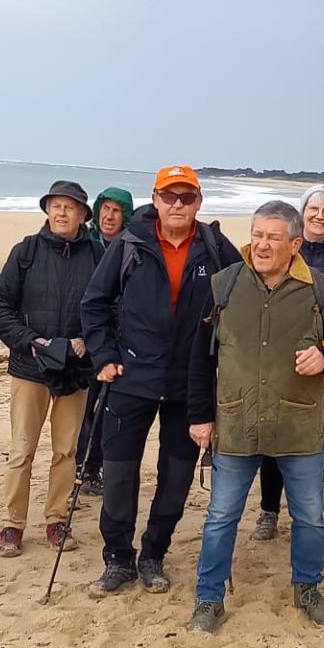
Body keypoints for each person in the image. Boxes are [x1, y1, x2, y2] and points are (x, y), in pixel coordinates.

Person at [184, 201, 324, 633]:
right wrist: (200, 416)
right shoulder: (224, 286)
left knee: (310, 517)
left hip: (297, 425)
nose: (261, 245)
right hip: (237, 421)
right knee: (221, 516)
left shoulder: (318, 289)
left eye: (272, 238)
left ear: (295, 244)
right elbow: (198, 359)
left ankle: (307, 589)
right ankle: (208, 600)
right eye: (257, 234)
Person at [81, 165, 241, 595]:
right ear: (154, 199)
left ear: (198, 203)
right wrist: (104, 356)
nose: (177, 204)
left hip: (189, 383)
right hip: (131, 377)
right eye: (169, 196)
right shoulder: (131, 243)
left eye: (186, 197)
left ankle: (153, 554)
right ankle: (118, 558)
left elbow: (246, 297)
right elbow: (94, 304)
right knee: (117, 475)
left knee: (176, 480)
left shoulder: (213, 245)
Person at [0, 181, 106, 557]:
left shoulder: (98, 255)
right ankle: (12, 525)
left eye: (69, 208)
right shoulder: (26, 251)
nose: (61, 213)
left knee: (65, 451)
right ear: (47, 210)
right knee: (21, 449)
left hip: (75, 370)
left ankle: (56, 519)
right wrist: (31, 341)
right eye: (55, 206)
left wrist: (87, 339)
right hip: (30, 366)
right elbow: (0, 307)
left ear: (83, 215)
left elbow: (110, 306)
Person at [246, 183, 324, 544]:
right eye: (313, 210)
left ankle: (309, 513)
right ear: (301, 215)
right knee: (272, 446)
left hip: (319, 369)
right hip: (277, 364)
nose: (320, 216)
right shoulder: (274, 250)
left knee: (315, 444)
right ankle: (269, 511)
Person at [75, 186, 136, 496]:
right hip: (81, 343)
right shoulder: (83, 243)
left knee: (106, 411)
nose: (110, 215)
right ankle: (75, 469)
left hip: (116, 343)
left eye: (117, 210)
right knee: (81, 412)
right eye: (106, 209)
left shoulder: (132, 247)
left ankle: (93, 468)